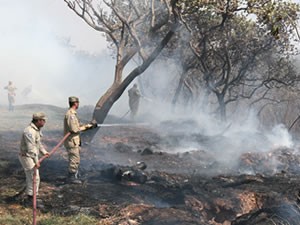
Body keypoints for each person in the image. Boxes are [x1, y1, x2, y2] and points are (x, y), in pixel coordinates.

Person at [19, 112, 49, 207]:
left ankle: (33, 197)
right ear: (39, 121)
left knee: (35, 176)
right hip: (26, 156)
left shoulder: (36, 130)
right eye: (43, 120)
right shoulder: (29, 131)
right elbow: (31, 149)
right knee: (33, 176)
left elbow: (38, 144)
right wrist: (36, 161)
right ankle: (30, 199)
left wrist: (44, 152)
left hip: (30, 155)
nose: (44, 122)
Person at [64, 96, 96, 184]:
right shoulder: (71, 115)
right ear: (75, 103)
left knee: (75, 158)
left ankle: (74, 175)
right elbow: (74, 129)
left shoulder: (72, 114)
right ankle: (71, 178)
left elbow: (76, 126)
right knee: (74, 159)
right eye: (78, 102)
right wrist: (88, 127)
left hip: (73, 140)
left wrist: (89, 126)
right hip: (72, 141)